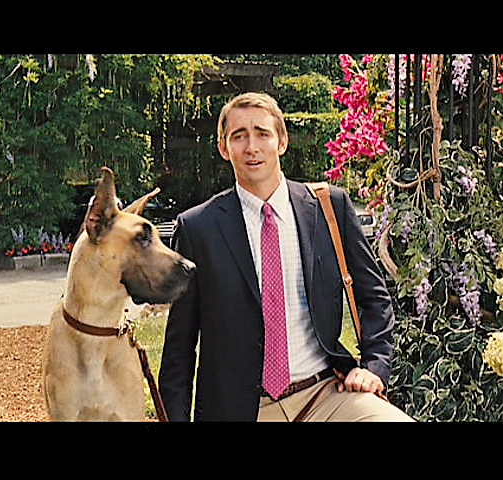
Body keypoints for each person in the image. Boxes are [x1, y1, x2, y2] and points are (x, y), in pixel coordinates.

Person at [159, 92, 414, 422]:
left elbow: (374, 297)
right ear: (224, 148)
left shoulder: (329, 208)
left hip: (324, 394)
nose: (252, 147)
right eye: (239, 136)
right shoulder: (197, 228)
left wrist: (374, 366)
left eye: (262, 133)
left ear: (282, 142)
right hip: (244, 410)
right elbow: (178, 350)